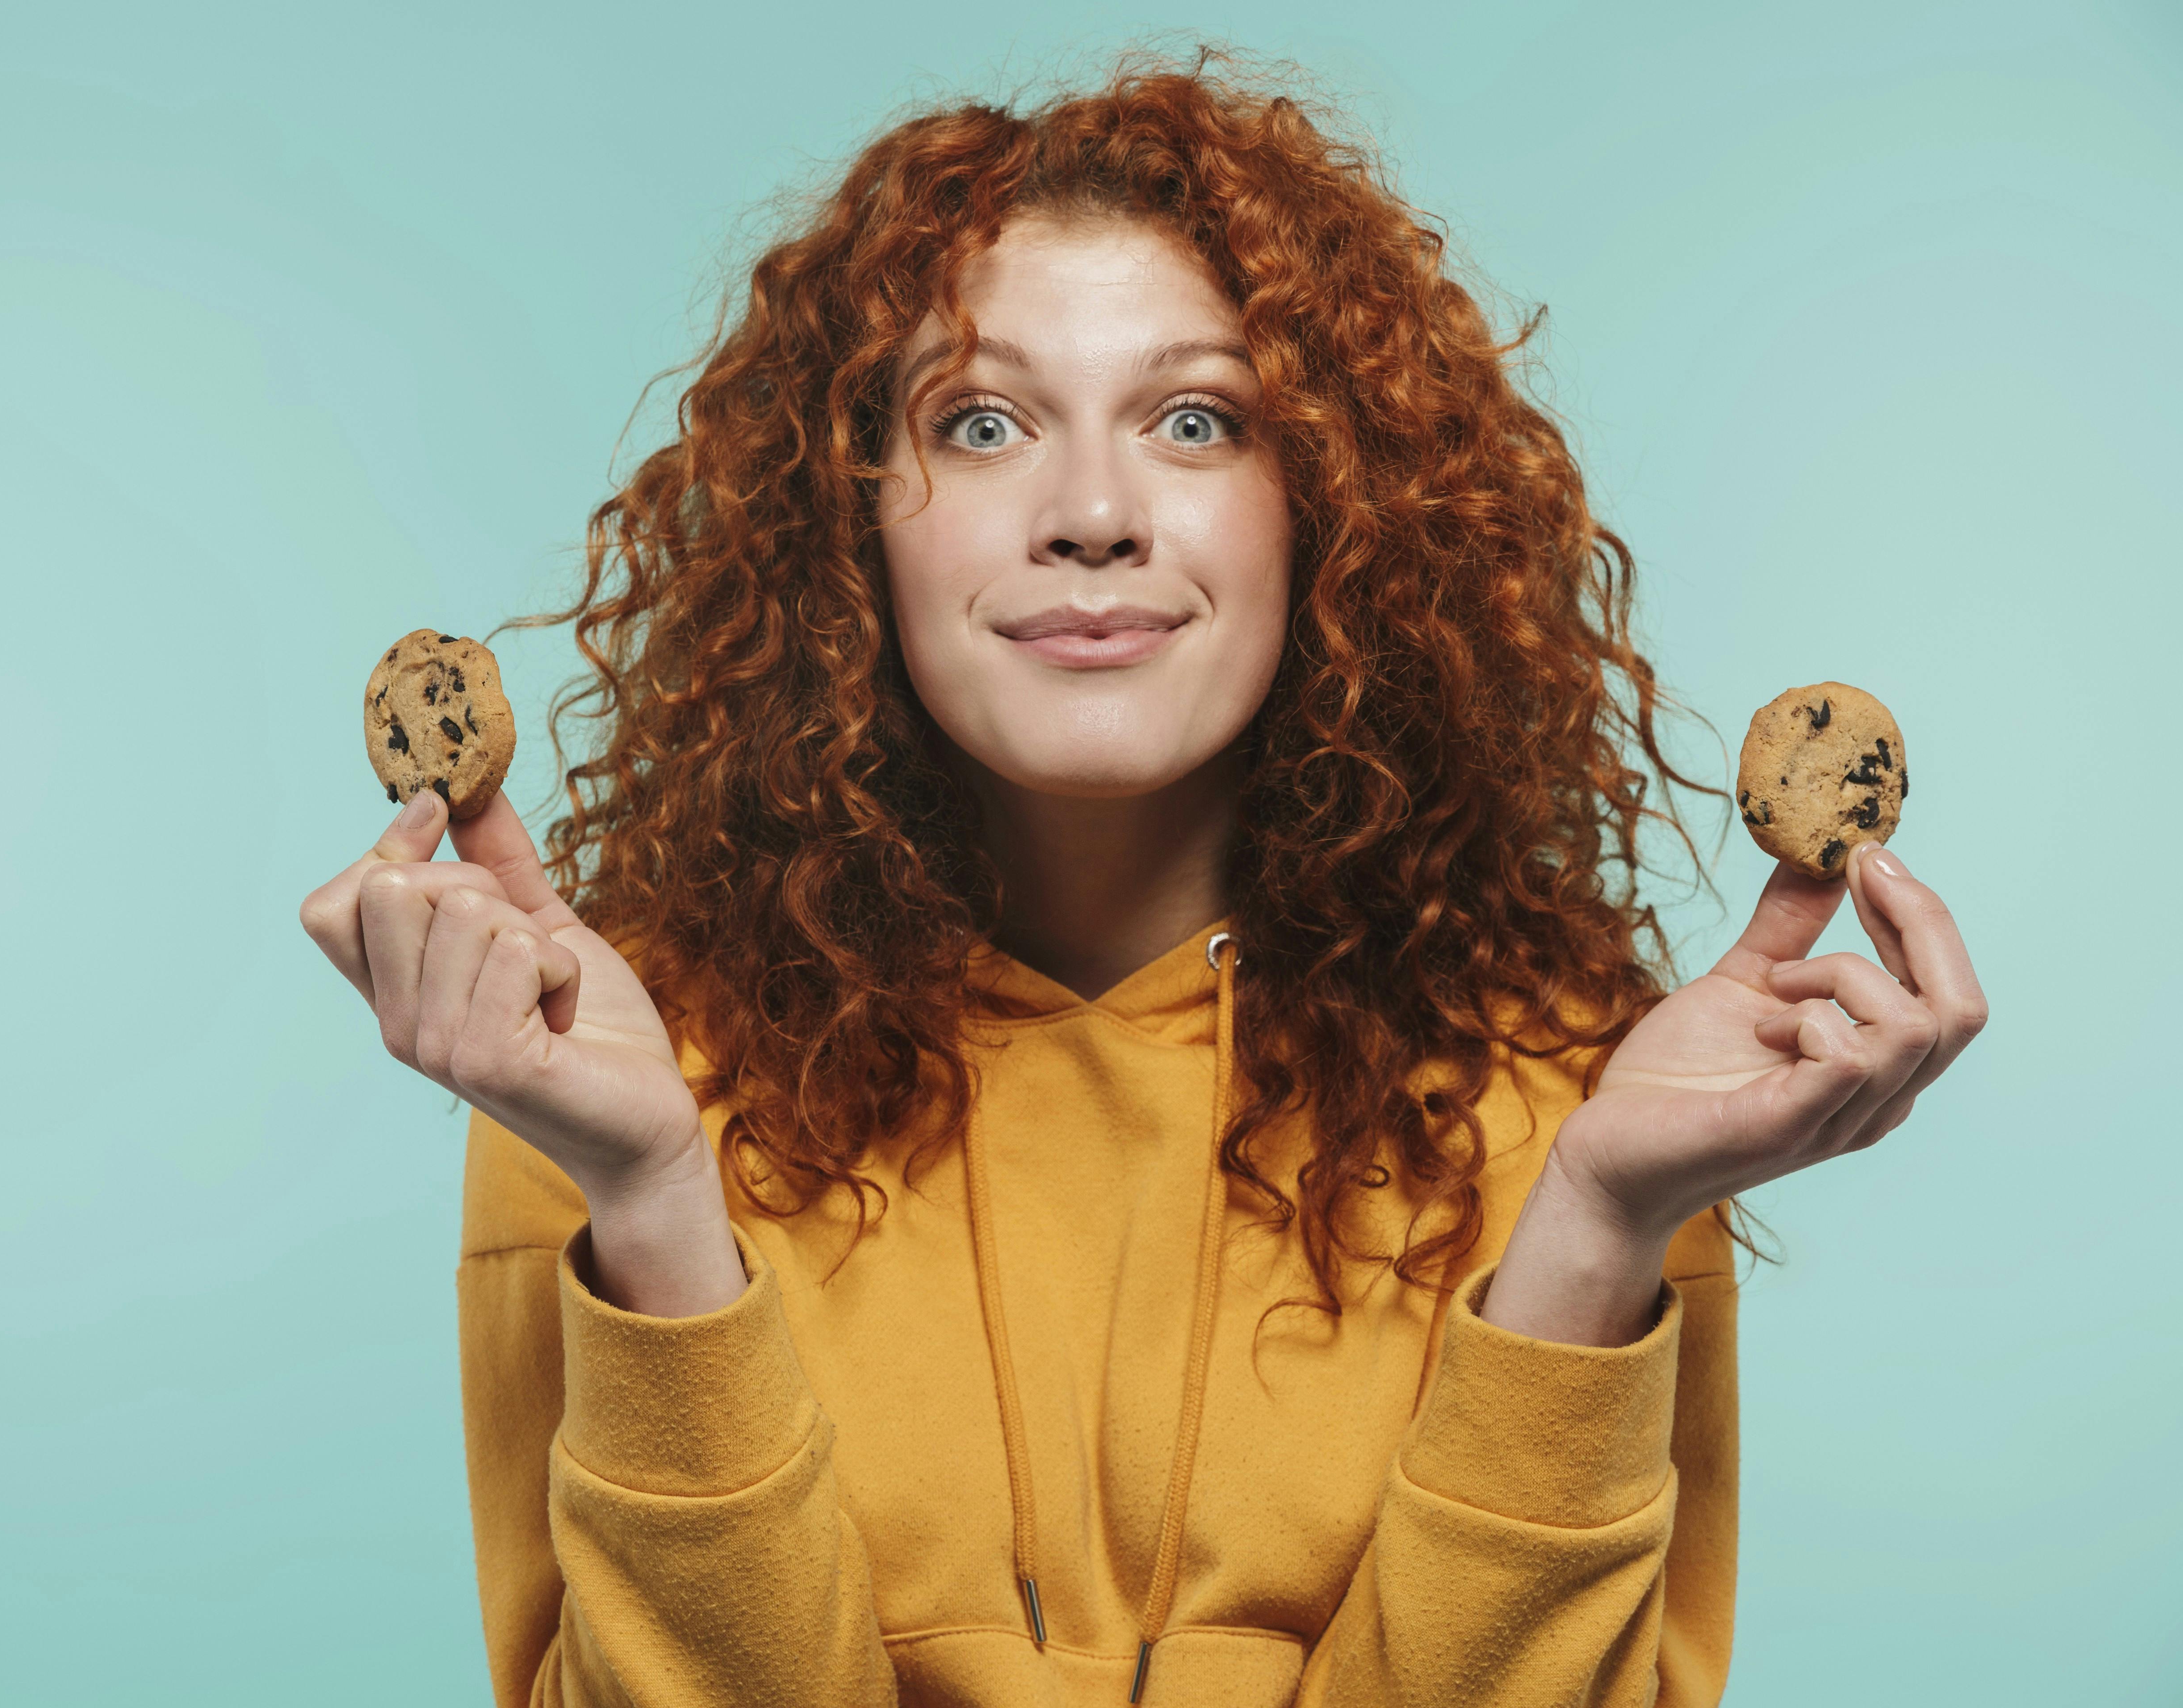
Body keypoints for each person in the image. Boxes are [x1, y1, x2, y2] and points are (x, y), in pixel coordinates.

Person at [299, 58, 1985, 1708]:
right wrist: (658, 1202)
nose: (1093, 512)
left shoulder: (1582, 1090)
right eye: (980, 421)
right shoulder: (610, 1068)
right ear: (851, 520)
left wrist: (1602, 1222)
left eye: (1195, 421)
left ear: (1326, 503)